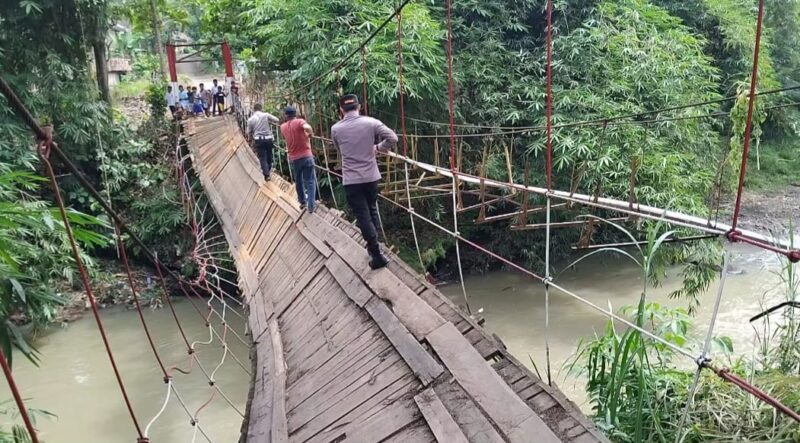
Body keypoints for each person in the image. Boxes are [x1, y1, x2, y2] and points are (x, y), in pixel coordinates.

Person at [331, 94, 397, 269]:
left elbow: (339, 149)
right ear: (359, 107)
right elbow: (393, 138)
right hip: (371, 177)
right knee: (372, 209)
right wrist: (377, 148)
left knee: (362, 215)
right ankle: (374, 247)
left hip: (352, 179)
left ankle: (376, 254)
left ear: (341, 110)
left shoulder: (336, 129)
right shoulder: (371, 122)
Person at [280, 106, 316, 213]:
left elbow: (284, 138)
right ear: (295, 114)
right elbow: (308, 127)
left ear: (286, 115)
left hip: (294, 158)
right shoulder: (299, 121)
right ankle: (311, 205)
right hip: (307, 156)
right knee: (310, 181)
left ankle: (303, 202)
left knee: (298, 180)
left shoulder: (282, 127)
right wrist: (310, 134)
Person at [246, 103, 280, 180]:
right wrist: (269, 122)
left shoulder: (250, 120)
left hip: (259, 140)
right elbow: (277, 120)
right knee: (269, 156)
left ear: (254, 110)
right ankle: (268, 170)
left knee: (262, 158)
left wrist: (250, 140)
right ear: (261, 109)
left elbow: (249, 132)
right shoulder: (266, 115)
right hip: (269, 138)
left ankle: (267, 175)